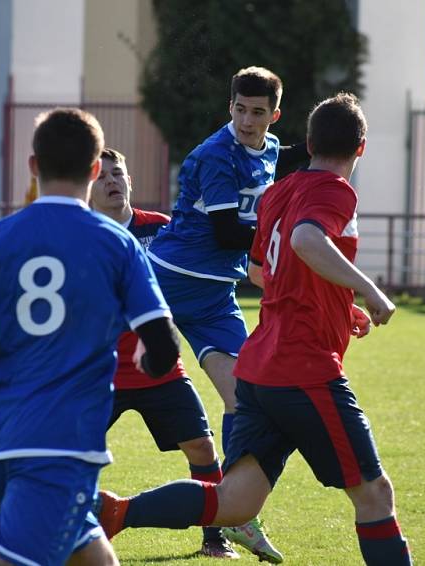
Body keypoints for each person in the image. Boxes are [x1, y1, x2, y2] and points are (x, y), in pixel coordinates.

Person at [97, 93, 413, 566]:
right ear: (361, 148)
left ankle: (113, 512)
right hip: (304, 368)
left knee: (235, 501)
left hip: (261, 369)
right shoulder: (335, 190)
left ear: (306, 143)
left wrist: (341, 304)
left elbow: (265, 270)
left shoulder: (279, 194)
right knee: (374, 494)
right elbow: (306, 240)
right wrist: (371, 290)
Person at [0, 108, 182, 566]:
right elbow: (164, 343)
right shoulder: (116, 243)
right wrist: (151, 363)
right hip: (59, 445)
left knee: (96, 559)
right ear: (96, 168)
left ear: (33, 166)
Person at [90, 147, 282, 561]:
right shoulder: (82, 237)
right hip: (99, 373)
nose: (111, 181)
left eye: (118, 173)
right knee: (61, 448)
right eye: (101, 176)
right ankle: (15, 515)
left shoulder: (165, 232)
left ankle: (217, 535)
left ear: (130, 181)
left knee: (202, 447)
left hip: (160, 371)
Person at [145, 66, 305, 556]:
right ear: (229, 106)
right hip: (167, 288)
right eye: (240, 109)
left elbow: (272, 195)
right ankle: (24, 493)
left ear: (274, 116)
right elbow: (226, 232)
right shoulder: (216, 154)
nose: (247, 121)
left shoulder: (271, 150)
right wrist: (290, 242)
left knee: (247, 401)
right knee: (97, 396)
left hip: (215, 300)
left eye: (258, 112)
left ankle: (238, 515)